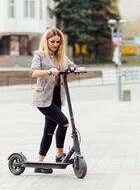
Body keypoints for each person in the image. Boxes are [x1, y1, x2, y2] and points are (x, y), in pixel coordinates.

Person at [30, 27, 86, 174]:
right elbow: (34, 73)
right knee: (64, 122)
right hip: (43, 99)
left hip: (56, 98)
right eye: (52, 41)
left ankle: (39, 163)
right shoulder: (40, 55)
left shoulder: (61, 56)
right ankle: (59, 155)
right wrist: (49, 71)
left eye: (57, 42)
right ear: (46, 41)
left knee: (48, 132)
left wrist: (78, 69)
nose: (55, 44)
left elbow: (72, 66)